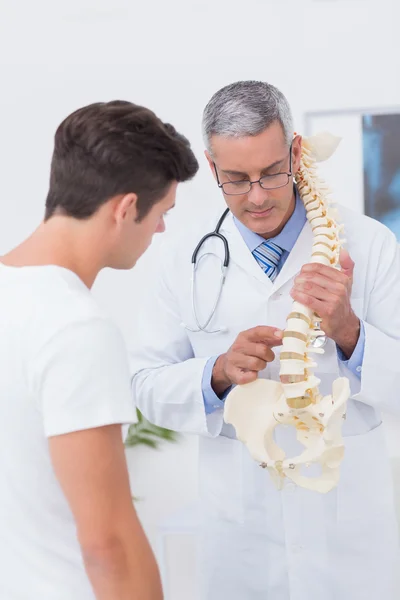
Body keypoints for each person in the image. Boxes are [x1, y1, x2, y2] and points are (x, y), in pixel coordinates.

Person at [130, 81, 400, 600]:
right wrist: (217, 372)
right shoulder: (180, 256)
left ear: (296, 152)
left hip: (347, 536)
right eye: (235, 179)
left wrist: (349, 331)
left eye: (272, 173)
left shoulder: (369, 244)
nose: (256, 196)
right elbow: (145, 386)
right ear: (211, 168)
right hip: (242, 536)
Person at [0, 100, 198, 600]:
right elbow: (107, 543)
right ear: (126, 208)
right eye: (161, 214)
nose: (160, 231)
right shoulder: (75, 328)